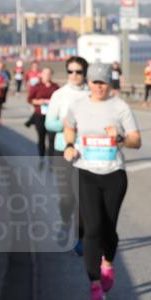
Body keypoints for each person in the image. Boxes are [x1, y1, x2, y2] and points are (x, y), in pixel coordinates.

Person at [62, 62, 141, 300]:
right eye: (94, 82)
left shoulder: (120, 107)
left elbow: (136, 141)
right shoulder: (78, 106)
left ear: (109, 83)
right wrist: (69, 146)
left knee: (108, 229)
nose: (98, 86)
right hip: (86, 172)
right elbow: (68, 126)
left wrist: (118, 137)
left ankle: (108, 262)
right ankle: (94, 284)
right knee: (93, 229)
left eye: (102, 82)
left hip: (114, 174)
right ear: (88, 82)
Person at [47, 55, 91, 256]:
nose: (74, 75)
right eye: (70, 71)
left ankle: (79, 236)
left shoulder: (92, 93)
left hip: (86, 152)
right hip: (62, 149)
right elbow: (49, 124)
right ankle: (65, 222)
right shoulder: (59, 94)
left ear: (85, 73)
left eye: (78, 72)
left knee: (82, 197)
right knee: (66, 197)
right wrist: (66, 124)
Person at [27, 67, 59, 157]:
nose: (47, 76)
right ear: (41, 75)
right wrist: (39, 102)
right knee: (41, 137)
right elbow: (30, 99)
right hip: (39, 115)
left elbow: (60, 99)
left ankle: (51, 158)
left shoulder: (55, 87)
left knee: (52, 138)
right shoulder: (37, 86)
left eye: (49, 74)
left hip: (52, 115)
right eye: (45, 73)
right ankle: (41, 156)